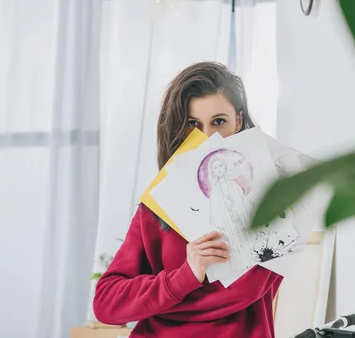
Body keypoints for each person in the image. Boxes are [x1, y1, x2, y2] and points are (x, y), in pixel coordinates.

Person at [93, 62, 283, 337]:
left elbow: (241, 295)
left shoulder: (273, 202)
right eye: (192, 124)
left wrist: (158, 301)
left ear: (238, 121)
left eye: (219, 121)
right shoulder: (157, 206)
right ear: (179, 129)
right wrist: (187, 274)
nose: (206, 137)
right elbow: (106, 304)